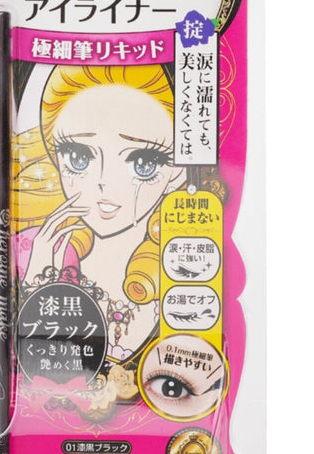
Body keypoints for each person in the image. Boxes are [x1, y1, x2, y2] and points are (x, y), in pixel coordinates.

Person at [12, 64, 186, 362]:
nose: (105, 182)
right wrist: (36, 286)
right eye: (78, 157)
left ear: (177, 172)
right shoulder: (32, 250)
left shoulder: (187, 264)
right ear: (55, 157)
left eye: (143, 162)